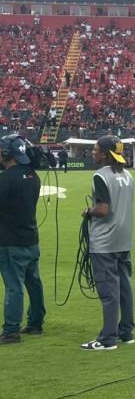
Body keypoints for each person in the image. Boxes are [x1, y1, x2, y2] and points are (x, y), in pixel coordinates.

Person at [81, 136, 135, 351]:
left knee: (108, 291)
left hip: (105, 241)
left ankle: (107, 339)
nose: (93, 153)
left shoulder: (100, 175)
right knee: (124, 287)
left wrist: (88, 211)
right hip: (124, 239)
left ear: (105, 153)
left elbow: (103, 209)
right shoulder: (128, 174)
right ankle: (126, 332)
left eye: (95, 150)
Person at [0, 134, 46, 344]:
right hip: (30, 237)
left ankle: (11, 330)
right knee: (33, 282)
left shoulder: (5, 179)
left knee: (13, 285)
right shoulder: (32, 175)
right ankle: (36, 323)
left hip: (10, 240)